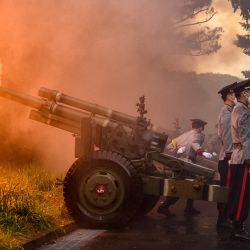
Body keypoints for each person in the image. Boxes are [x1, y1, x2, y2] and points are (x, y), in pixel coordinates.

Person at [157, 119, 212, 218]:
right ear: (200, 128)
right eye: (202, 128)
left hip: (179, 163)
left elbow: (170, 146)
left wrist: (178, 150)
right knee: (181, 188)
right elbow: (194, 144)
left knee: (192, 184)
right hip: (187, 165)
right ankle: (164, 207)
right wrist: (203, 152)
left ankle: (189, 207)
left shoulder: (184, 135)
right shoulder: (198, 135)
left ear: (192, 126)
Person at [227, 79, 250, 240]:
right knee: (242, 194)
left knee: (238, 192)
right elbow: (246, 137)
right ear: (244, 93)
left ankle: (236, 223)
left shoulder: (238, 109)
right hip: (244, 158)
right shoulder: (243, 110)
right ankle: (237, 227)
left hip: (239, 156)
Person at [216, 82, 236, 230]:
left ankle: (225, 217)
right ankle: (223, 219)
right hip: (228, 158)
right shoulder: (227, 113)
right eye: (233, 94)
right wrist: (230, 156)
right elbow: (227, 136)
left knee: (229, 189)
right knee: (227, 190)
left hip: (229, 157)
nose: (235, 96)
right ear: (228, 96)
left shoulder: (228, 111)